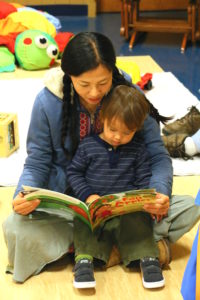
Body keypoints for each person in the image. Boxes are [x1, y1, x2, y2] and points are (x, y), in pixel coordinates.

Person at [2, 32, 200, 283]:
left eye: (103, 82)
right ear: (68, 75)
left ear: (112, 72)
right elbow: (38, 161)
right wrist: (23, 194)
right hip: (74, 207)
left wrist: (159, 193)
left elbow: (157, 155)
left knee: (188, 207)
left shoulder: (130, 96)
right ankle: (128, 249)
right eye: (84, 84)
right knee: (16, 226)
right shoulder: (47, 102)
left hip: (125, 206)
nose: (94, 92)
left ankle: (92, 251)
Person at [67, 85, 165, 289]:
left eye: (126, 132)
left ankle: (146, 257)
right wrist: (88, 195)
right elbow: (74, 173)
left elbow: (144, 178)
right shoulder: (88, 146)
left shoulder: (138, 149)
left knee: (140, 219)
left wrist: (145, 199)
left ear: (137, 128)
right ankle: (85, 260)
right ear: (102, 118)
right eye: (112, 129)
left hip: (125, 211)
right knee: (82, 220)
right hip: (96, 208)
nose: (118, 137)